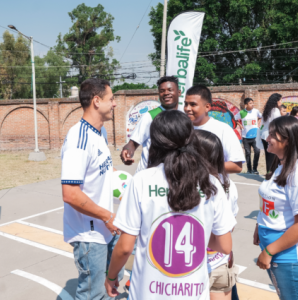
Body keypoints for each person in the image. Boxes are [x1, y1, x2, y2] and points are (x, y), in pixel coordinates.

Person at [105, 110, 236, 300]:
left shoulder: (142, 180)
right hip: (193, 292)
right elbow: (225, 245)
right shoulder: (211, 182)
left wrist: (110, 277)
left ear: (155, 141)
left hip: (148, 292)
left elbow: (125, 247)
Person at [61, 78, 123, 300]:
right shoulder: (79, 139)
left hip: (107, 227)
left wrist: (128, 187)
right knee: (92, 295)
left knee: (111, 285)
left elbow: (105, 169)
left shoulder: (100, 132)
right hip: (89, 235)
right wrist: (107, 216)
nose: (115, 103)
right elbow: (70, 193)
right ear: (97, 101)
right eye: (111, 98)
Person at [253, 116, 298, 299]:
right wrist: (259, 224)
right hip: (274, 250)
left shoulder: (296, 173)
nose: (267, 138)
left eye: (272, 134)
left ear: (287, 139)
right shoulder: (280, 165)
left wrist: (269, 251)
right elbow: (270, 201)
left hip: (286, 257)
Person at [195, 130, 239, 300]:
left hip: (189, 266)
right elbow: (230, 227)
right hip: (219, 261)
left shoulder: (180, 185)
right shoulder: (227, 183)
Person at [120, 75, 181, 172]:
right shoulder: (150, 116)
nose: (166, 93)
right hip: (148, 175)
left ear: (179, 92)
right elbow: (132, 144)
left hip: (172, 175)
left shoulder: (183, 118)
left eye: (170, 90)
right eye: (162, 91)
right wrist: (126, 152)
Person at [184, 84, 245, 174]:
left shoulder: (223, 129)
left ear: (207, 107)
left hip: (212, 186)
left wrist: (200, 167)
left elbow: (236, 166)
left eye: (193, 104)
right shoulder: (181, 129)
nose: (187, 108)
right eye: (186, 104)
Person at [234, 98, 262, 174]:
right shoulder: (242, 112)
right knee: (248, 153)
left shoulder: (256, 111)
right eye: (250, 103)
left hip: (255, 136)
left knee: (257, 151)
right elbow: (235, 118)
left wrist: (258, 123)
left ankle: (255, 169)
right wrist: (240, 125)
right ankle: (249, 170)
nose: (252, 104)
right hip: (245, 136)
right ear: (246, 104)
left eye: (253, 103)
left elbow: (261, 117)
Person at [260, 93, 282, 173]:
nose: (281, 102)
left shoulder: (267, 111)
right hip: (272, 136)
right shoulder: (276, 111)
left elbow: (262, 125)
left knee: (268, 157)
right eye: (280, 100)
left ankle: (269, 174)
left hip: (264, 136)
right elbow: (278, 124)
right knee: (274, 157)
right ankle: (272, 175)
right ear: (276, 101)